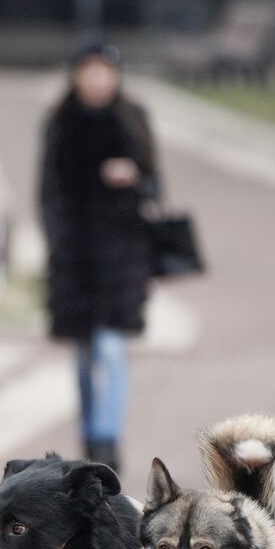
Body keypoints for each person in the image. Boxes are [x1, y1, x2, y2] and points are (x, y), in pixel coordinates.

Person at [40, 39, 160, 472]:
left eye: (103, 70)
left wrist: (134, 176)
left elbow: (155, 185)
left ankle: (108, 441)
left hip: (122, 255)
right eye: (88, 70)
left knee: (111, 348)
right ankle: (91, 434)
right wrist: (55, 241)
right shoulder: (61, 121)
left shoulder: (132, 119)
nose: (96, 79)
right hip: (74, 255)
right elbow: (48, 191)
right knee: (83, 353)